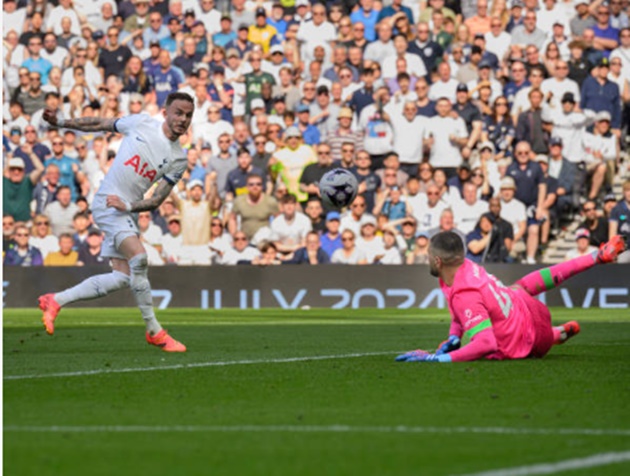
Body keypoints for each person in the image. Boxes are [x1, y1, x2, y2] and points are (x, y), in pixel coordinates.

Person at [38, 92, 195, 352]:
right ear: (165, 111)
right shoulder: (142, 123)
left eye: (188, 115)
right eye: (178, 112)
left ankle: (55, 300)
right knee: (140, 259)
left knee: (123, 277)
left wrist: (130, 206)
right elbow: (100, 123)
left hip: (126, 210)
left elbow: (156, 200)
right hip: (107, 203)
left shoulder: (179, 158)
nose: (183, 119)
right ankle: (155, 331)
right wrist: (62, 122)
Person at [396, 230, 627, 362]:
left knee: (481, 345)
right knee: (520, 287)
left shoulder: (464, 292)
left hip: (534, 339)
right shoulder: (461, 267)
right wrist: (454, 336)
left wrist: (436, 359)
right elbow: (458, 314)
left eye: (428, 255)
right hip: (522, 304)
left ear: (438, 261)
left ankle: (555, 334)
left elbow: (487, 343)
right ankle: (596, 257)